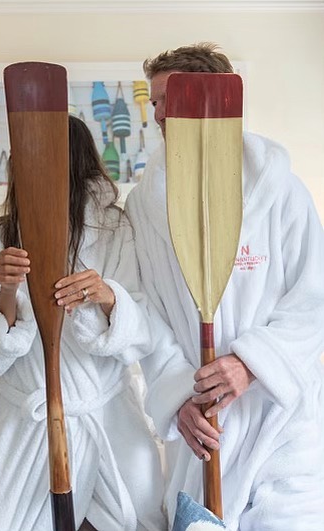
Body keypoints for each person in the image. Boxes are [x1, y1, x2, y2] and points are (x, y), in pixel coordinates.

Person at [126, 42, 324, 529]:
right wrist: (179, 398)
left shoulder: (282, 192)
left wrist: (251, 364)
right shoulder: (145, 206)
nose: (159, 115)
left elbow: (313, 299)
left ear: (213, 101)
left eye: (170, 99)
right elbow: (147, 315)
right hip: (203, 425)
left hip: (280, 422)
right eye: (155, 102)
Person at [0, 115, 167, 531]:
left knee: (140, 513)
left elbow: (143, 331)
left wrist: (107, 296)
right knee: (3, 521)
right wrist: (7, 290)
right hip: (27, 421)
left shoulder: (116, 229)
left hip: (106, 415)